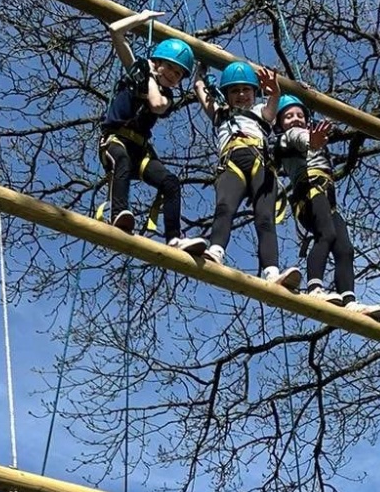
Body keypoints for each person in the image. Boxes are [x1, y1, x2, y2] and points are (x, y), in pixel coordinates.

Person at [181, 60, 302, 288]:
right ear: (226, 95)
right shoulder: (220, 113)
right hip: (231, 162)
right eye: (234, 91)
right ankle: (215, 250)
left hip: (260, 163)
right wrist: (201, 67)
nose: (241, 95)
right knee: (225, 207)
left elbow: (272, 105)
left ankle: (272, 272)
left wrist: (274, 91)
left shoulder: (261, 111)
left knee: (264, 218)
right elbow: (199, 88)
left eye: (246, 89)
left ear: (254, 93)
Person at [273, 93, 380, 318]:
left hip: (326, 199)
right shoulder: (288, 137)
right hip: (309, 192)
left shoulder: (312, 135)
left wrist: (317, 138)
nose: (294, 119)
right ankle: (315, 288)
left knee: (345, 249)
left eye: (299, 115)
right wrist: (312, 141)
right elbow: (302, 140)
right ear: (280, 123)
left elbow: (312, 139)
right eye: (288, 116)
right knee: (327, 235)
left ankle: (349, 299)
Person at [98, 14, 194, 244]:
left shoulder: (166, 96)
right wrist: (141, 18)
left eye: (178, 74)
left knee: (170, 182)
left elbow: (157, 105)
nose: (172, 76)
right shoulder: (135, 73)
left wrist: (152, 77)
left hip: (140, 150)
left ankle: (174, 237)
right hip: (116, 141)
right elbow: (115, 30)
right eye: (170, 68)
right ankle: (118, 214)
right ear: (157, 62)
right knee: (121, 159)